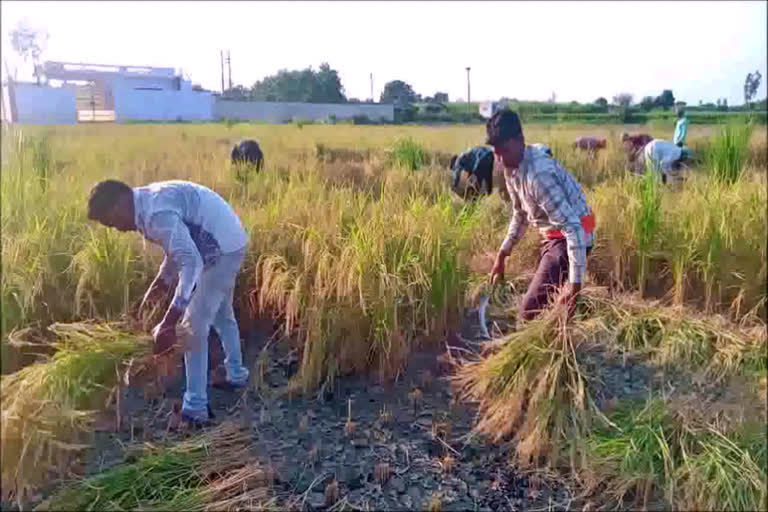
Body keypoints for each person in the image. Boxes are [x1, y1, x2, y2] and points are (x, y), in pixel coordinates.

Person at [87, 179, 250, 426]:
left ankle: (195, 410)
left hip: (222, 250)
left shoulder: (155, 213)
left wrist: (168, 322)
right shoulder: (147, 205)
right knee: (221, 314)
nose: (117, 229)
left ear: (120, 203)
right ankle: (236, 374)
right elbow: (179, 249)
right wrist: (160, 284)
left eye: (112, 221)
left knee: (191, 328)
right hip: (226, 240)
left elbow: (191, 262)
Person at [486, 110, 595, 323]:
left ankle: (550, 342)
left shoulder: (539, 176)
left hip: (571, 236)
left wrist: (575, 287)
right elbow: (520, 213)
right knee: (547, 298)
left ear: (520, 140)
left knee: (528, 312)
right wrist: (502, 255)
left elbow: (573, 228)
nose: (499, 159)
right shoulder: (511, 166)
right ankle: (558, 327)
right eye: (496, 153)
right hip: (553, 234)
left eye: (504, 151)